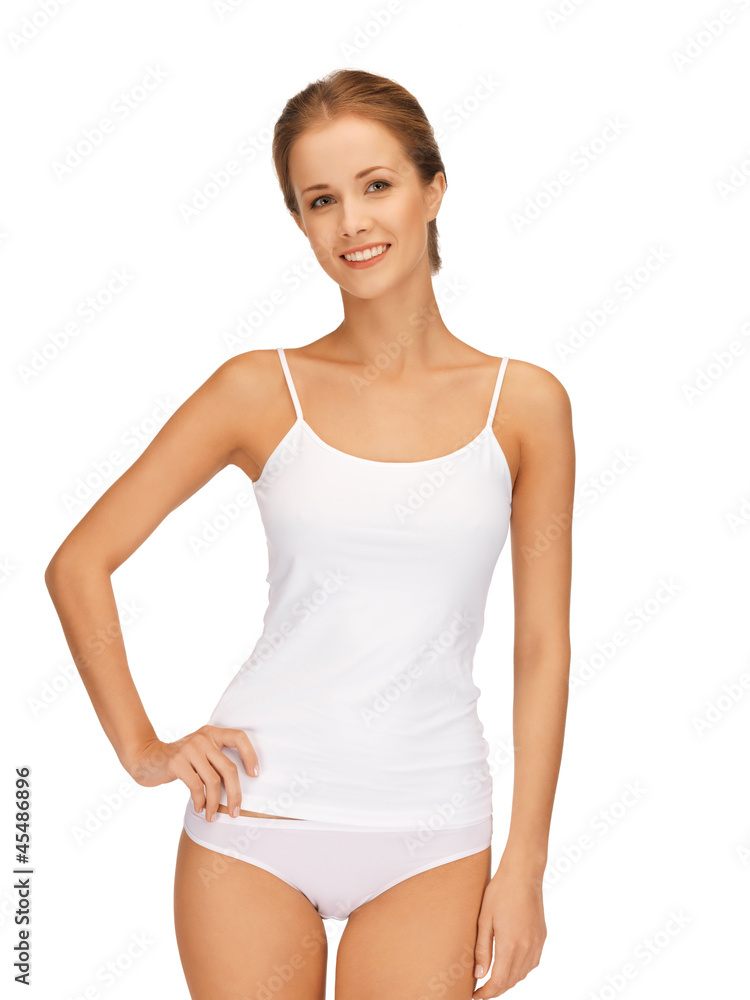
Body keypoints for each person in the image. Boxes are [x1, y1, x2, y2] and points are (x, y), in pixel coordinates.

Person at [44, 68, 574, 1000]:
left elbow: (541, 645)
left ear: (433, 190)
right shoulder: (258, 389)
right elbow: (79, 562)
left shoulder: (525, 404)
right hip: (252, 824)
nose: (352, 223)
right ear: (299, 220)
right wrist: (143, 749)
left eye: (377, 185)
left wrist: (526, 865)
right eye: (321, 199)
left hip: (432, 829)